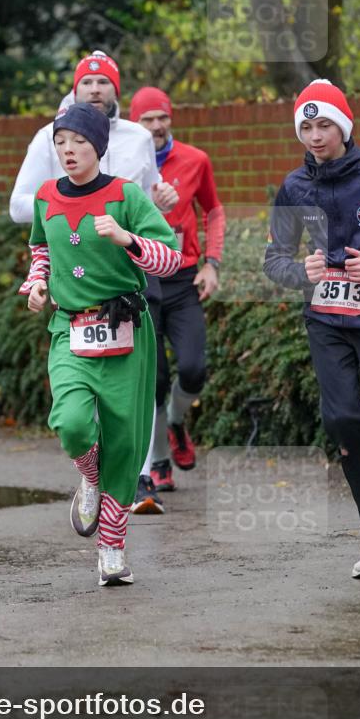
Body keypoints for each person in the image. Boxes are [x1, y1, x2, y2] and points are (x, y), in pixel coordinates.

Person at [19, 103, 182, 587]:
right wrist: (37, 284)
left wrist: (127, 238)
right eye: (61, 143)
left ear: (99, 147)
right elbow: (41, 249)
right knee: (71, 423)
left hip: (126, 330)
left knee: (126, 442)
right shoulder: (46, 197)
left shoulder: (125, 194)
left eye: (79, 143)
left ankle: (112, 549)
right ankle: (88, 476)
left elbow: (170, 259)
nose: (68, 151)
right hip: (70, 329)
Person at [264, 79, 360, 580]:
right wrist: (303, 273)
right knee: (343, 423)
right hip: (326, 322)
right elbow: (274, 260)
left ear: (344, 126)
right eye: (306, 126)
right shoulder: (294, 187)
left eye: (324, 125)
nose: (315, 136)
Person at [128, 87, 225, 512]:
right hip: (143, 280)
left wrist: (213, 263)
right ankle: (159, 463)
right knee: (153, 379)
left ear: (171, 119)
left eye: (161, 118)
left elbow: (214, 210)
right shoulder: (125, 166)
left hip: (184, 279)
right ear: (134, 125)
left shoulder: (195, 160)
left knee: (193, 367)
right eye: (146, 120)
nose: (155, 126)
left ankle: (176, 422)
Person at [9, 51, 178, 223]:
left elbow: (149, 195)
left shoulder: (140, 136)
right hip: (72, 246)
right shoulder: (48, 136)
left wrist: (161, 202)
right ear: (75, 90)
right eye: (87, 82)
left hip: (128, 247)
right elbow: (18, 208)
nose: (95, 90)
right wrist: (71, 203)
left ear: (116, 90)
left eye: (103, 82)